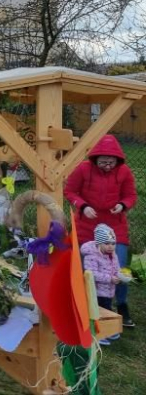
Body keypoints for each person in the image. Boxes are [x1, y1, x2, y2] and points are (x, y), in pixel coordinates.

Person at [65, 134, 137, 328]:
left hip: (115, 226)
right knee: (85, 267)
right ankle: (83, 304)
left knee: (119, 267)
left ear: (117, 160)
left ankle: (121, 306)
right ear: (95, 158)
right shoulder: (83, 169)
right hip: (87, 225)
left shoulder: (124, 172)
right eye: (104, 161)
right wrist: (82, 205)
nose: (108, 165)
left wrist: (123, 205)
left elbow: (131, 195)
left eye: (111, 162)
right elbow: (69, 191)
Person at [81, 224, 125, 345]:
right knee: (98, 313)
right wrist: (110, 279)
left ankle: (107, 330)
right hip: (97, 291)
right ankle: (98, 334)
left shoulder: (112, 254)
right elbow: (92, 274)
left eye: (113, 243)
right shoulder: (91, 256)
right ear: (99, 243)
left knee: (107, 310)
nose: (111, 246)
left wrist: (121, 276)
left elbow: (117, 268)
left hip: (109, 290)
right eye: (107, 243)